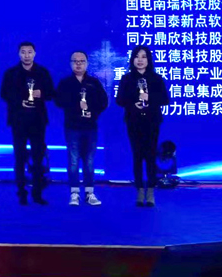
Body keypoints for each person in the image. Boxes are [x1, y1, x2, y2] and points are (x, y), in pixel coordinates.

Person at [0, 41, 54, 205]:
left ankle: (37, 193)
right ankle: (21, 193)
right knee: (19, 157)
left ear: (34, 54)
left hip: (38, 121)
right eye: (23, 52)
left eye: (30, 52)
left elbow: (52, 93)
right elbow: (4, 94)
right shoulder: (11, 73)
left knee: (38, 158)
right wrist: (20, 101)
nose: (26, 55)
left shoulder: (42, 72)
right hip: (18, 121)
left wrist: (41, 93)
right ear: (19, 54)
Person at [116, 45, 170, 207]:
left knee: (151, 156)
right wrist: (134, 101)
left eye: (143, 57)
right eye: (137, 56)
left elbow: (165, 99)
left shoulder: (156, 78)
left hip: (152, 122)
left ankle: (151, 191)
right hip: (134, 122)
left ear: (148, 60)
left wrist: (149, 97)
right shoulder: (126, 79)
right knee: (137, 156)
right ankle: (140, 191)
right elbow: (120, 100)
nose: (140, 60)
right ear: (132, 59)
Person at [55, 51, 108, 207]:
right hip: (72, 127)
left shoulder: (94, 82)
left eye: (82, 61)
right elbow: (58, 101)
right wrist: (75, 106)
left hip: (90, 127)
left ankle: (89, 193)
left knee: (89, 162)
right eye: (75, 61)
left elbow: (103, 102)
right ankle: (74, 193)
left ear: (87, 63)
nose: (78, 64)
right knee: (73, 161)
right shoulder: (65, 83)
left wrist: (92, 111)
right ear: (70, 63)